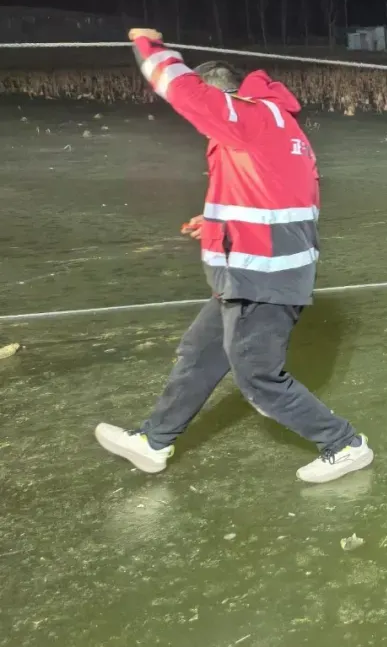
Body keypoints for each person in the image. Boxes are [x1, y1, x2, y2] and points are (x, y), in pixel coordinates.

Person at [93, 28, 372, 484]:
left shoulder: (251, 119)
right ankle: (154, 441)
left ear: (225, 98)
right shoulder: (276, 128)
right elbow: (278, 200)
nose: (203, 125)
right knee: (200, 354)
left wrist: (149, 46)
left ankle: (344, 444)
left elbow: (183, 91)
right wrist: (215, 224)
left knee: (258, 378)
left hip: (260, 279)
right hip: (248, 272)